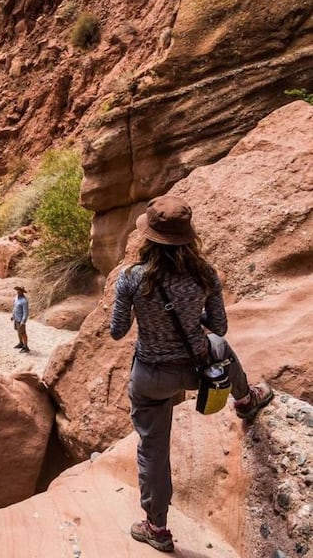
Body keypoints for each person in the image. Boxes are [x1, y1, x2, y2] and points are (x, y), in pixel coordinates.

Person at [109, 195, 273, 553]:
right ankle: (245, 400)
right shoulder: (204, 274)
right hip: (197, 371)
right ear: (188, 236)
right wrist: (191, 319)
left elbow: (118, 331)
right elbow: (219, 326)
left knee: (153, 450)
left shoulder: (132, 279)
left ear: (148, 236)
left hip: (150, 377)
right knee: (223, 350)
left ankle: (157, 528)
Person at [11, 285, 29, 352]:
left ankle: (26, 346)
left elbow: (25, 312)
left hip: (21, 319)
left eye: (19, 290)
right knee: (18, 332)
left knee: (23, 333)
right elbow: (15, 307)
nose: (18, 291)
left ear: (22, 292)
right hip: (16, 318)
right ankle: (21, 343)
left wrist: (23, 321)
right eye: (17, 290)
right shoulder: (16, 298)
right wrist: (13, 315)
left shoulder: (24, 301)